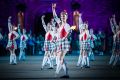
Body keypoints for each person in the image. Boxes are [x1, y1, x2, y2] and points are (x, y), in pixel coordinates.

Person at [52, 3, 71, 78]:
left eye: (64, 16)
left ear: (66, 17)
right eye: (62, 16)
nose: (63, 17)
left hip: (64, 42)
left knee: (60, 58)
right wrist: (53, 9)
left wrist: (63, 38)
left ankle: (56, 73)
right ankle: (66, 73)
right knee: (61, 59)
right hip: (59, 42)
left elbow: (69, 33)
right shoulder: (59, 24)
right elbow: (55, 16)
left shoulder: (67, 25)